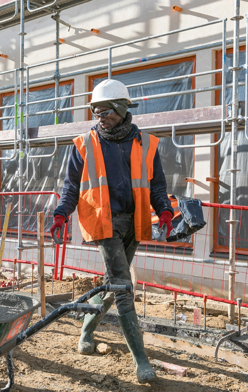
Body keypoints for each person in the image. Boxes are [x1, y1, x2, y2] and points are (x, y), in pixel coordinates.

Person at [50, 79, 173, 383]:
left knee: (111, 284)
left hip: (135, 221)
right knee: (123, 287)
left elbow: (157, 185)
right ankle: (141, 361)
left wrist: (165, 210)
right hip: (103, 222)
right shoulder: (84, 144)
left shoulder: (145, 143)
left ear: (120, 108)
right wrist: (61, 214)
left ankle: (86, 334)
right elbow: (70, 186)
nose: (100, 116)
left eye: (105, 110)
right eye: (96, 110)